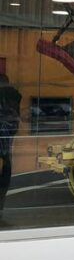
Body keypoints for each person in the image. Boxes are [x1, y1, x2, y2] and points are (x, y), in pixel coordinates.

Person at [0, 75, 22, 218]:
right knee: (7, 161)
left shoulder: (5, 94)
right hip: (9, 129)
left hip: (3, 128)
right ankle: (1, 200)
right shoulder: (15, 94)